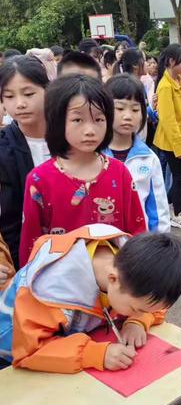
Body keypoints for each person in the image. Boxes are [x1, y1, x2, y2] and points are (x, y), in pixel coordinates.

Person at [0, 225, 181, 373]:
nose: (143, 313)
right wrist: (95, 354)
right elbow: (30, 351)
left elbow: (154, 306)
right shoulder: (50, 290)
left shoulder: (132, 263)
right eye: (136, 309)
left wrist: (137, 321)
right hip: (10, 353)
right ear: (113, 280)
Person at [19, 74, 146, 266]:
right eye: (78, 120)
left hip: (112, 283)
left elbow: (137, 231)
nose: (90, 130)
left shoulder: (119, 172)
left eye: (98, 119)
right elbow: (31, 243)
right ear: (58, 121)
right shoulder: (39, 180)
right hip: (59, 287)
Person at [0, 56, 50, 269]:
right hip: (23, 260)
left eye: (29, 94)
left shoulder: (72, 138)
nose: (19, 104)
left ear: (47, 90)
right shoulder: (4, 150)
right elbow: (8, 220)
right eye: (9, 96)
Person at [103, 74, 170, 233]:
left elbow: (159, 209)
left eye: (135, 109)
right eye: (119, 108)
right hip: (100, 246)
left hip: (139, 246)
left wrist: (160, 245)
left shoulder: (148, 158)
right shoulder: (93, 155)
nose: (127, 116)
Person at [153, 44, 181, 230]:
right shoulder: (165, 87)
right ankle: (177, 212)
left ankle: (167, 205)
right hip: (171, 142)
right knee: (180, 177)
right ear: (171, 61)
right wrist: (179, 147)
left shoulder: (179, 81)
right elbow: (168, 120)